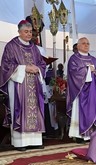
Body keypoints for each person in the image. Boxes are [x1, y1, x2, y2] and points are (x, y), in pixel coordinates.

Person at [0, 20, 46, 151]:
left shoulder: (34, 48)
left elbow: (42, 64)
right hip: (18, 85)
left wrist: (37, 69)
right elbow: (6, 66)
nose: (28, 34)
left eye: (30, 32)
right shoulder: (11, 46)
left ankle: (35, 141)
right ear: (19, 32)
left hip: (34, 84)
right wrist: (24, 68)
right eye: (26, 32)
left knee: (35, 110)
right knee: (20, 109)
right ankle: (20, 143)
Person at [66, 37, 96, 142]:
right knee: (79, 112)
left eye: (88, 43)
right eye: (83, 43)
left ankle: (92, 134)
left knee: (93, 111)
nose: (86, 45)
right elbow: (73, 73)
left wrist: (95, 71)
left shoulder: (93, 59)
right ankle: (79, 135)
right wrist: (87, 70)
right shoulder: (74, 59)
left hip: (92, 91)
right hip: (80, 91)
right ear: (78, 46)